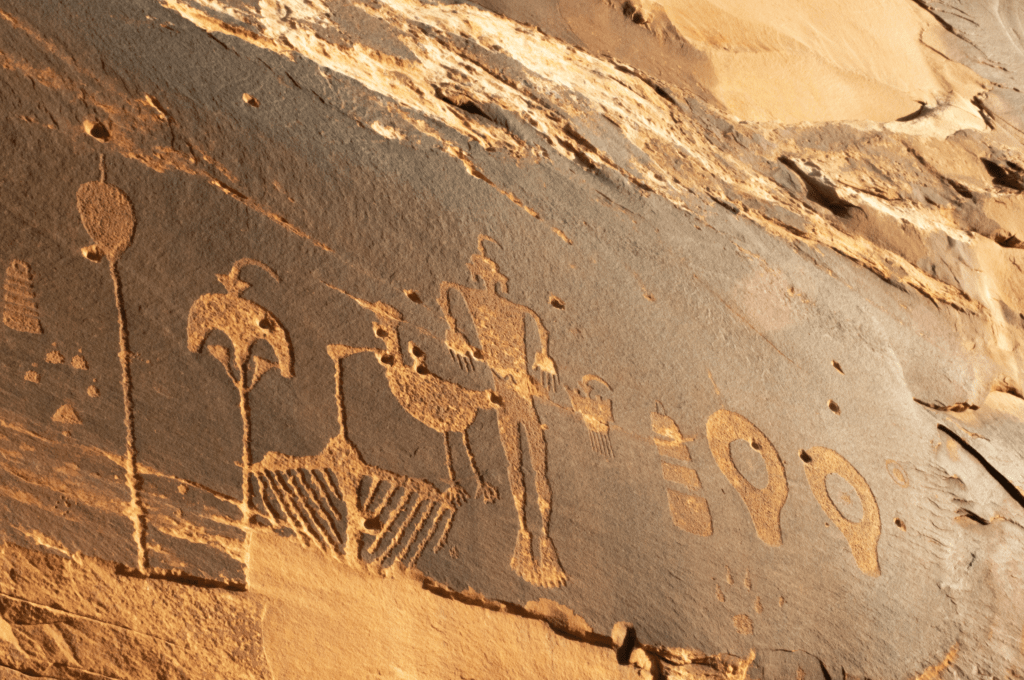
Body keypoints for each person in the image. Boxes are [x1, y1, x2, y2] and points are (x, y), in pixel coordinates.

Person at [438, 235, 566, 587]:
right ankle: (526, 536)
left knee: (532, 465)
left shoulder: (511, 310)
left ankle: (541, 539)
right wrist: (453, 331)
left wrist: (543, 355)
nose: (485, 281)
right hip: (509, 395)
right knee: (520, 464)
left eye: (485, 275)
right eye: (482, 275)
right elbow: (447, 290)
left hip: (517, 394)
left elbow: (537, 324)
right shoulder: (482, 302)